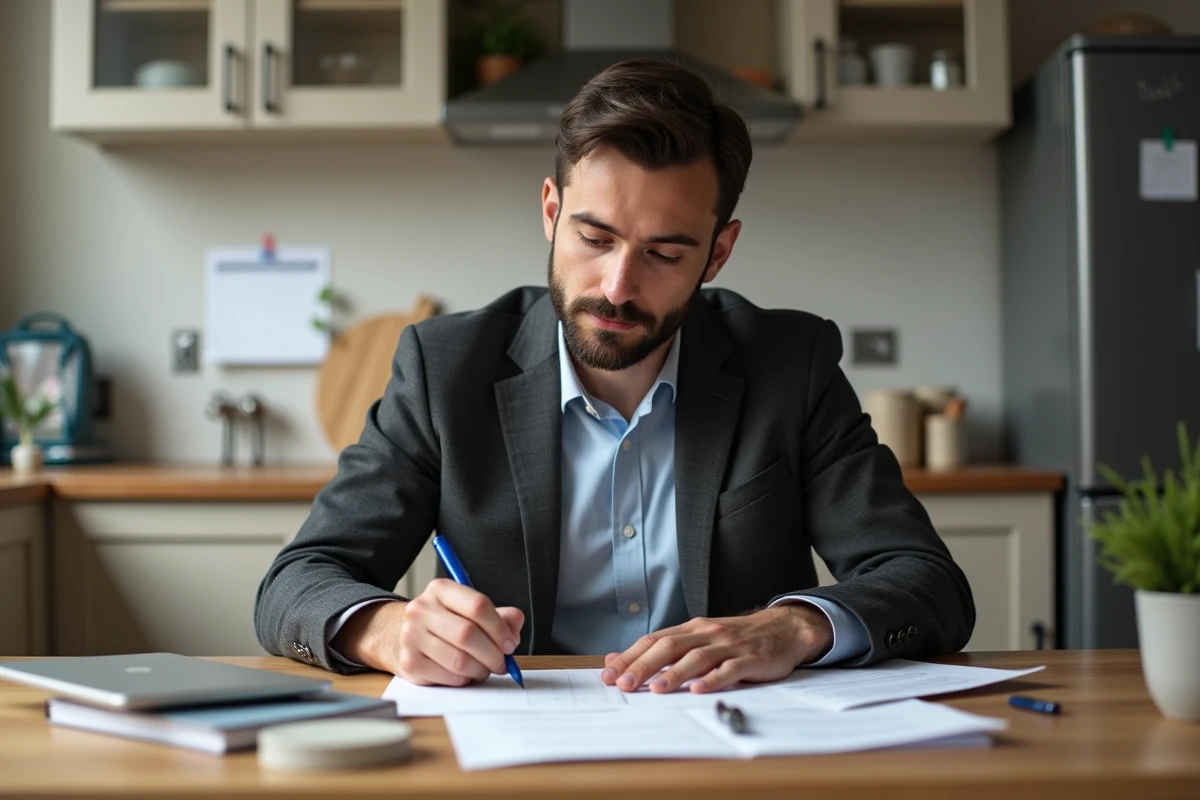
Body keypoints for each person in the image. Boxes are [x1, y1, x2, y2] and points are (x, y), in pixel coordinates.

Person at [255, 58, 974, 695]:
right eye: (594, 238)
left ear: (718, 253)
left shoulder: (791, 363)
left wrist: (794, 627)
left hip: (735, 742)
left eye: (665, 254)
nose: (618, 287)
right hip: (516, 743)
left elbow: (928, 582)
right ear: (551, 211)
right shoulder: (445, 368)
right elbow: (296, 583)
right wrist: (386, 630)